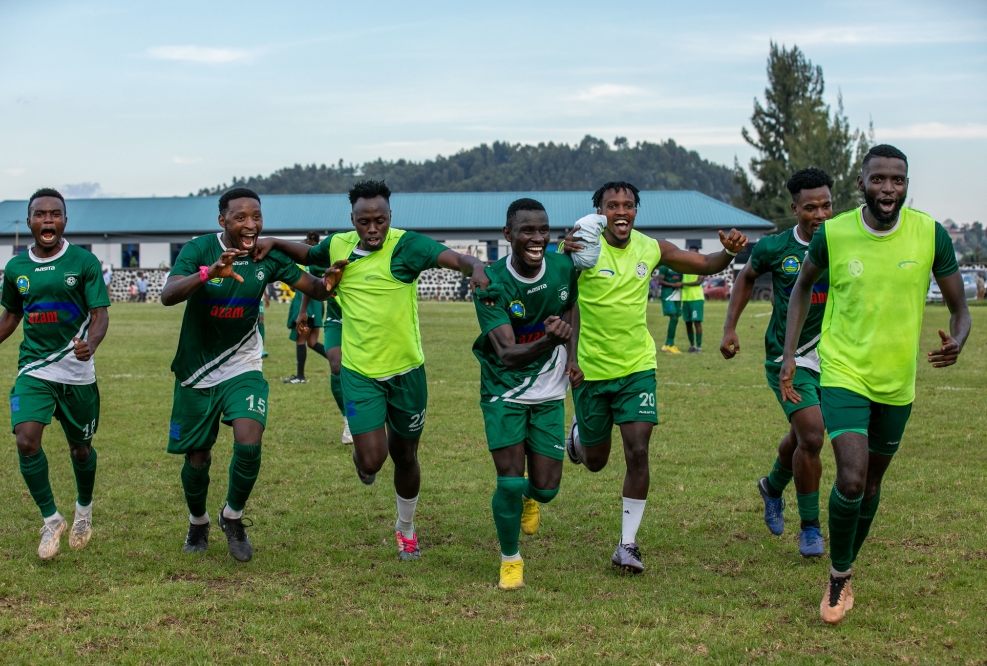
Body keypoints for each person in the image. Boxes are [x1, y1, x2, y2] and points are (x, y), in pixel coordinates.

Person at [781, 145, 970, 624]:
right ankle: (839, 576)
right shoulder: (835, 233)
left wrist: (959, 340)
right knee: (850, 476)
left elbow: (960, 308)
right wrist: (788, 355)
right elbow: (802, 286)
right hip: (843, 373)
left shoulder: (929, 234)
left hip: (896, 382)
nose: (889, 189)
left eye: (898, 180)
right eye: (879, 179)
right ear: (861, 182)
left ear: (906, 184)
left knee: (870, 486)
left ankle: (844, 567)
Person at [253, 179, 490, 561]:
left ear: (390, 217)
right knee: (371, 460)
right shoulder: (339, 245)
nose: (373, 229)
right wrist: (276, 243)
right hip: (360, 372)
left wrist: (476, 267)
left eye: (380, 220)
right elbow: (310, 253)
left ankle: (406, 530)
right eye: (364, 222)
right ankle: (364, 457)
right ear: (353, 220)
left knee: (406, 456)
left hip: (407, 372)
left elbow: (456, 258)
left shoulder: (407, 246)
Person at [563, 181, 747, 573]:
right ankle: (580, 438)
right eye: (612, 205)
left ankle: (627, 544)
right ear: (599, 211)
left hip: (637, 369)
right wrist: (571, 356)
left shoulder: (652, 248)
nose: (621, 211)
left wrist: (728, 253)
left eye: (628, 205)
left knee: (639, 449)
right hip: (591, 372)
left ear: (636, 211)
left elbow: (704, 264)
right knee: (595, 462)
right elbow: (563, 302)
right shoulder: (580, 250)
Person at [160, 187, 346, 562]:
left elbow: (314, 289)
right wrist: (208, 273)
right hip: (197, 369)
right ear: (222, 221)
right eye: (241, 217)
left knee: (249, 439)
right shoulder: (199, 249)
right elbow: (168, 294)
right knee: (197, 456)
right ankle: (198, 521)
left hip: (243, 362)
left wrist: (328, 281)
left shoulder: (267, 255)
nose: (250, 224)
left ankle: (233, 516)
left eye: (256, 217)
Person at [0, 188, 110, 559]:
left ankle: (83, 512)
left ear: (64, 221)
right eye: (40, 214)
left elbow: (101, 314)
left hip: (77, 373)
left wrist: (91, 342)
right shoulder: (16, 269)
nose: (48, 221)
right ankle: (51, 519)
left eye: (55, 214)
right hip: (34, 369)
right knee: (26, 440)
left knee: (81, 449)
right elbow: (11, 314)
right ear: (29, 222)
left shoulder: (83, 262)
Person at [720, 167, 834, 557]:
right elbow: (747, 277)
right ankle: (811, 529)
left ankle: (771, 486)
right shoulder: (776, 248)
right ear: (795, 208)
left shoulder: (845, 244)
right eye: (810, 207)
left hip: (836, 355)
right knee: (814, 436)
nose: (819, 215)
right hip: (788, 357)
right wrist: (730, 327)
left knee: (805, 434)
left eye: (826, 206)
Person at [472, 198, 577, 590]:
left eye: (543, 230)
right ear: (508, 235)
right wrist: (551, 340)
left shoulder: (565, 267)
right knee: (510, 483)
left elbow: (572, 305)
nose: (537, 238)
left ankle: (533, 498)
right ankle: (510, 559)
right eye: (527, 231)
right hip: (505, 390)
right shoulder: (490, 284)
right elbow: (507, 354)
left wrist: (572, 354)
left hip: (550, 391)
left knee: (546, 490)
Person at [283, 232, 328, 384]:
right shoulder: (320, 259)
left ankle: (300, 377)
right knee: (313, 342)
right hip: (318, 304)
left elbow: (296, 284)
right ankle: (339, 363)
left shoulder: (304, 261)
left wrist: (302, 310)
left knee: (301, 340)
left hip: (306, 304)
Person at [323, 293, 352, 444]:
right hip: (335, 320)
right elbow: (312, 281)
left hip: (361, 321)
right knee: (336, 366)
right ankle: (349, 418)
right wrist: (304, 311)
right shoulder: (323, 267)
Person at [680, 248, 706, 353]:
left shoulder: (701, 266)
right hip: (686, 298)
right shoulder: (684, 267)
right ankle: (692, 345)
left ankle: (699, 346)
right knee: (688, 323)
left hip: (697, 298)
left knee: (697, 323)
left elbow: (699, 282)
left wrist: (683, 284)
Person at [656, 265, 683, 354]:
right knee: (674, 317)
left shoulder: (681, 266)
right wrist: (673, 284)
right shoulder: (664, 266)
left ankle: (667, 344)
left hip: (677, 293)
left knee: (675, 318)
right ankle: (670, 344)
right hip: (668, 295)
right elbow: (660, 281)